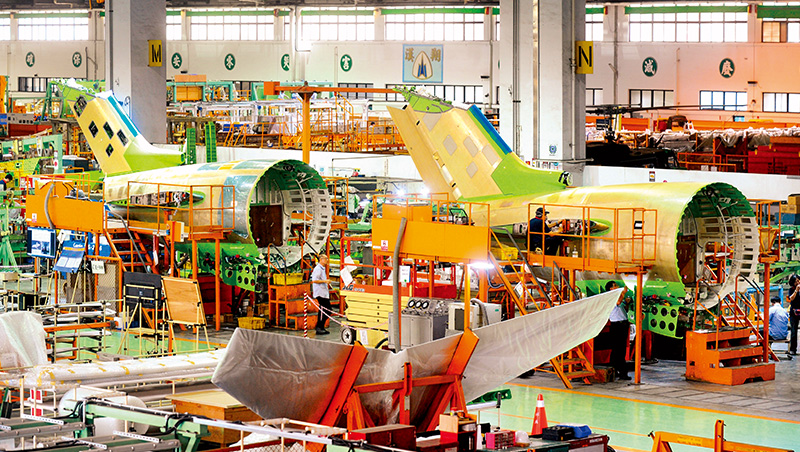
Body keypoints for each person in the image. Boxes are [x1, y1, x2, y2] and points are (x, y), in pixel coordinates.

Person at [605, 281, 631, 380]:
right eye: (615, 285)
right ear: (611, 289)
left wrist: (627, 303)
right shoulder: (611, 298)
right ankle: (621, 372)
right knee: (619, 349)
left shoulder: (617, 298)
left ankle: (616, 370)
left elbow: (622, 308)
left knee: (618, 349)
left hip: (622, 325)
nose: (618, 286)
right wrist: (623, 293)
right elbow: (618, 302)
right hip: (617, 326)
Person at [311, 255, 332, 335]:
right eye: (325, 258)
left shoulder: (322, 269)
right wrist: (325, 281)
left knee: (326, 310)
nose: (327, 260)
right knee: (326, 309)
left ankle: (321, 326)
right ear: (321, 259)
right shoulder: (318, 269)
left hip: (323, 292)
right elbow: (314, 280)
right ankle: (319, 327)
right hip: (320, 293)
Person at [788, 274, 800, 355]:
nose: (798, 283)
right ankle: (793, 349)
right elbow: (791, 298)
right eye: (796, 282)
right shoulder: (791, 289)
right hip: (794, 312)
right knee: (793, 331)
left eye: (798, 281)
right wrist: (796, 290)